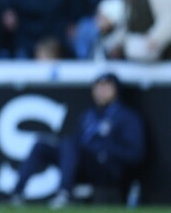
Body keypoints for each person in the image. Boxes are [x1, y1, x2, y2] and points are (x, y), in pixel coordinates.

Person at [7, 72, 145, 208]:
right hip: (82, 163)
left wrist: (103, 149)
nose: (101, 91)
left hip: (106, 168)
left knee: (70, 144)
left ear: (116, 90)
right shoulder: (89, 115)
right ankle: (16, 194)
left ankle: (64, 194)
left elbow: (135, 153)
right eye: (98, 87)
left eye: (106, 87)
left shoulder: (127, 117)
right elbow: (79, 142)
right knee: (42, 145)